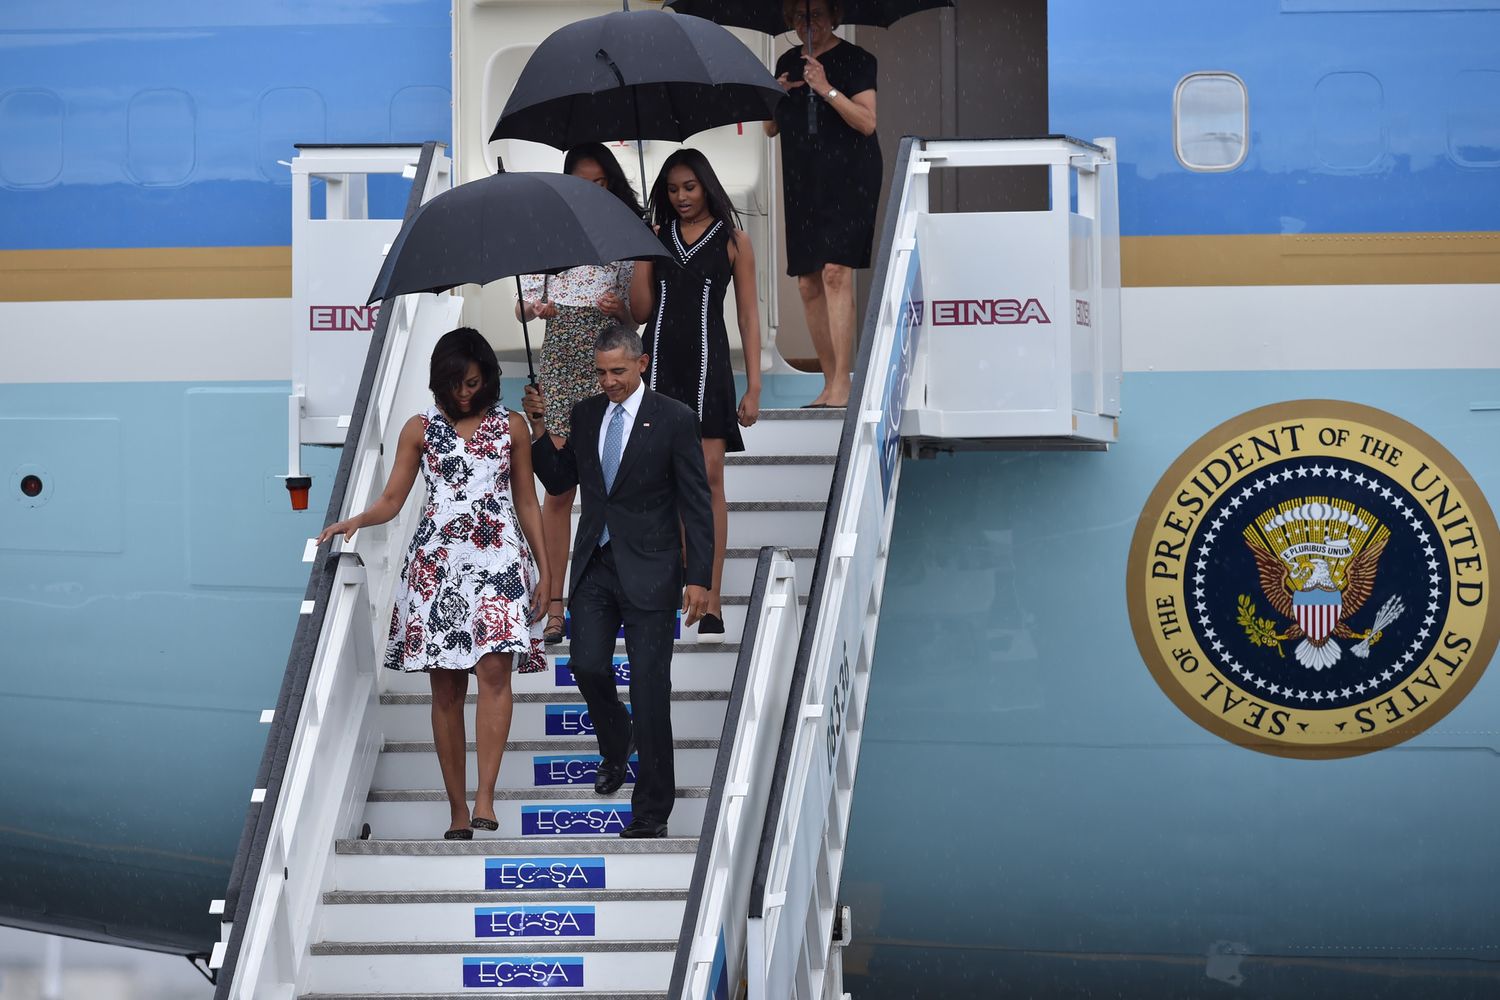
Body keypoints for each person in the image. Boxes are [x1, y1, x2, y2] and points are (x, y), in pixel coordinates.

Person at [318, 328, 548, 840]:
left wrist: (547, 569)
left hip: (498, 566)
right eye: (453, 384)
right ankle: (457, 810)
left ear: (488, 376)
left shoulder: (511, 427)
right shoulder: (419, 428)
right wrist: (355, 520)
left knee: (495, 677)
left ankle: (486, 796)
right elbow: (394, 498)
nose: (463, 393)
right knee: (445, 690)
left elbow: (528, 502)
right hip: (437, 568)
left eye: (472, 382)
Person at [526, 325, 714, 839]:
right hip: (595, 566)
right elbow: (562, 479)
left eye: (618, 371)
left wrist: (700, 578)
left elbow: (697, 502)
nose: (609, 381)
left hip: (653, 571)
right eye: (602, 372)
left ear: (642, 363)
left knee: (651, 690)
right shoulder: (587, 414)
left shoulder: (674, 418)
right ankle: (616, 741)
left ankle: (652, 812)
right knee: (587, 665)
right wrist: (540, 428)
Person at [627, 148, 761, 641]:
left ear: (706, 185)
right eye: (672, 189)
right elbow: (639, 311)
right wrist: (643, 250)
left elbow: (748, 314)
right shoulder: (656, 239)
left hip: (709, 370)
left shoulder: (734, 241)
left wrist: (755, 385)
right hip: (658, 368)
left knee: (709, 478)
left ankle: (711, 593)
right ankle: (679, 586)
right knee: (665, 483)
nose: (681, 197)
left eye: (689, 186)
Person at [516, 143, 642, 645]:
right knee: (559, 489)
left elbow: (638, 315)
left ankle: (619, 592)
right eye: (581, 181)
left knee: (614, 484)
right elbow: (522, 305)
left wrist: (621, 311)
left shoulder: (623, 236)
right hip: (560, 371)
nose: (591, 190)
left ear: (610, 184)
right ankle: (553, 599)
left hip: (608, 367)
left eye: (600, 182)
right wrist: (539, 309)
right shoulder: (547, 235)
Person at [764, 0, 880, 409]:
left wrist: (826, 88)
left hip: (849, 178)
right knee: (807, 280)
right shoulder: (786, 60)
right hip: (802, 180)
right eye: (797, 16)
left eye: (813, 15)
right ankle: (829, 382)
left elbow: (867, 122)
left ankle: (844, 383)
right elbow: (770, 128)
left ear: (834, 18)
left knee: (835, 272)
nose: (806, 23)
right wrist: (774, 95)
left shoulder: (857, 59)